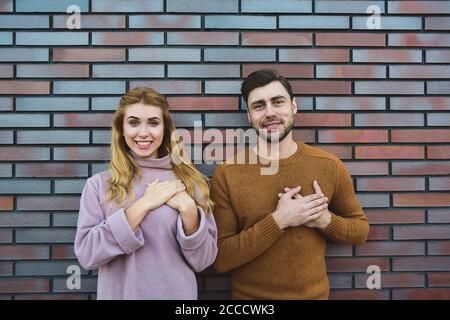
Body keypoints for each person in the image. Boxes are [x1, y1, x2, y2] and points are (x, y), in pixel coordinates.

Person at [211, 69, 369, 299]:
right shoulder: (227, 174)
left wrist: (324, 219)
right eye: (259, 106)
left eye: (278, 102)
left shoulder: (328, 166)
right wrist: (279, 220)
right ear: (248, 115)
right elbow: (221, 258)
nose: (270, 112)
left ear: (294, 106)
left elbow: (360, 231)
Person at [75, 87, 218, 300]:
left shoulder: (189, 182)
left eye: (153, 123)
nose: (143, 133)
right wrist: (145, 204)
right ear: (122, 129)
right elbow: (87, 255)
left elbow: (204, 260)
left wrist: (189, 211)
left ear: (165, 129)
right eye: (133, 123)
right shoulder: (99, 185)